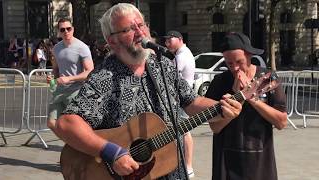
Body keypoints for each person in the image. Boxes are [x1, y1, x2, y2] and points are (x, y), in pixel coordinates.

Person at [53, 3, 242, 180]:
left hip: (172, 170)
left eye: (141, 25)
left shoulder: (163, 65)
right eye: (129, 29)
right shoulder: (105, 77)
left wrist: (221, 108)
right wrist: (111, 152)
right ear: (112, 40)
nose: (140, 32)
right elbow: (67, 123)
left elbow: (191, 102)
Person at [205, 32, 287, 180]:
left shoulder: (268, 78)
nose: (235, 68)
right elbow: (215, 127)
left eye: (239, 61)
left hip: (260, 159)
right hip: (226, 159)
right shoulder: (219, 82)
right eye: (229, 63)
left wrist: (251, 98)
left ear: (249, 56)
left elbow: (281, 122)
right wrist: (239, 98)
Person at [46, 18, 94, 134]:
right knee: (51, 123)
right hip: (60, 91)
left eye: (68, 28)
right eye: (63, 29)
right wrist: (52, 79)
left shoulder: (82, 47)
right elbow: (56, 69)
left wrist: (69, 78)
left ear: (73, 29)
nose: (66, 32)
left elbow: (89, 71)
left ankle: (77, 146)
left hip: (76, 91)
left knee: (76, 125)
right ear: (59, 32)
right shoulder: (56, 48)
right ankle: (72, 144)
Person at [164, 30, 196, 178]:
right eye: (166, 40)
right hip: (182, 98)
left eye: (170, 39)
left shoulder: (181, 56)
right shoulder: (183, 53)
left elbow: (167, 75)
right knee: (184, 132)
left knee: (184, 132)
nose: (167, 43)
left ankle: (188, 165)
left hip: (182, 99)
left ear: (180, 39)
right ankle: (186, 165)